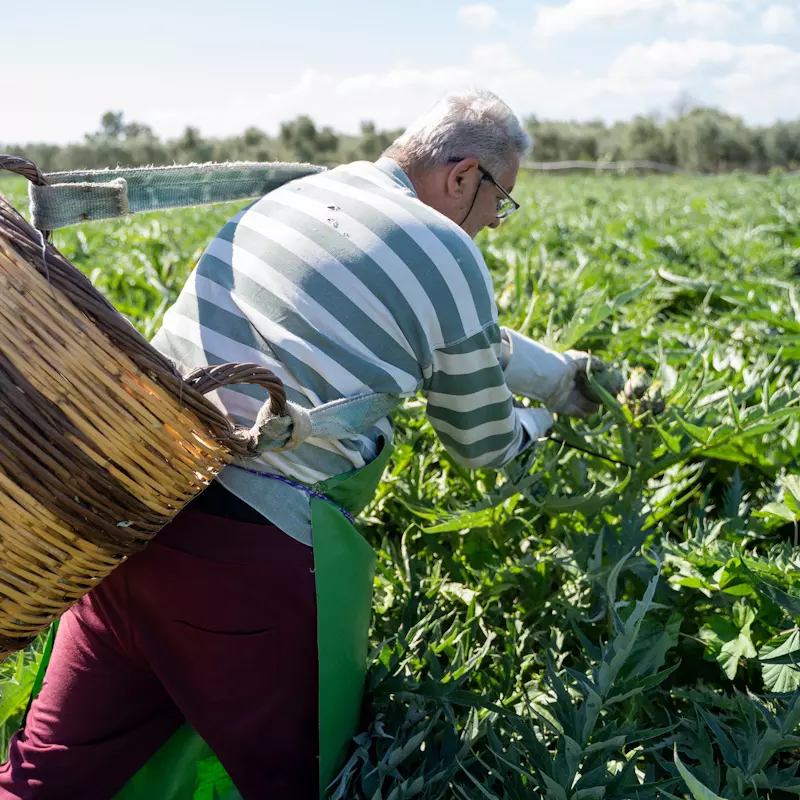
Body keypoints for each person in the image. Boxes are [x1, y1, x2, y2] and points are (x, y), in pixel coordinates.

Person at [0, 88, 603, 799]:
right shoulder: (447, 252)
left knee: (49, 776)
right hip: (254, 563)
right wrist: (547, 422)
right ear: (464, 174)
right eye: (500, 201)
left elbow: (452, 338)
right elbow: (482, 443)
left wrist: (561, 376)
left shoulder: (300, 194)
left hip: (132, 523)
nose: (494, 223)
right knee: (294, 782)